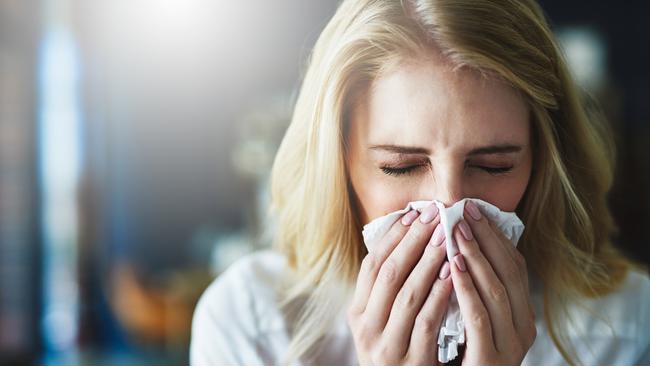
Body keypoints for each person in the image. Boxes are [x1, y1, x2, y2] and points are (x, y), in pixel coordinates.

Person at [190, 0, 650, 364]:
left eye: (493, 167)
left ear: (544, 163)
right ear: (339, 166)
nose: (449, 204)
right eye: (400, 167)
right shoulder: (253, 324)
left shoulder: (627, 329)